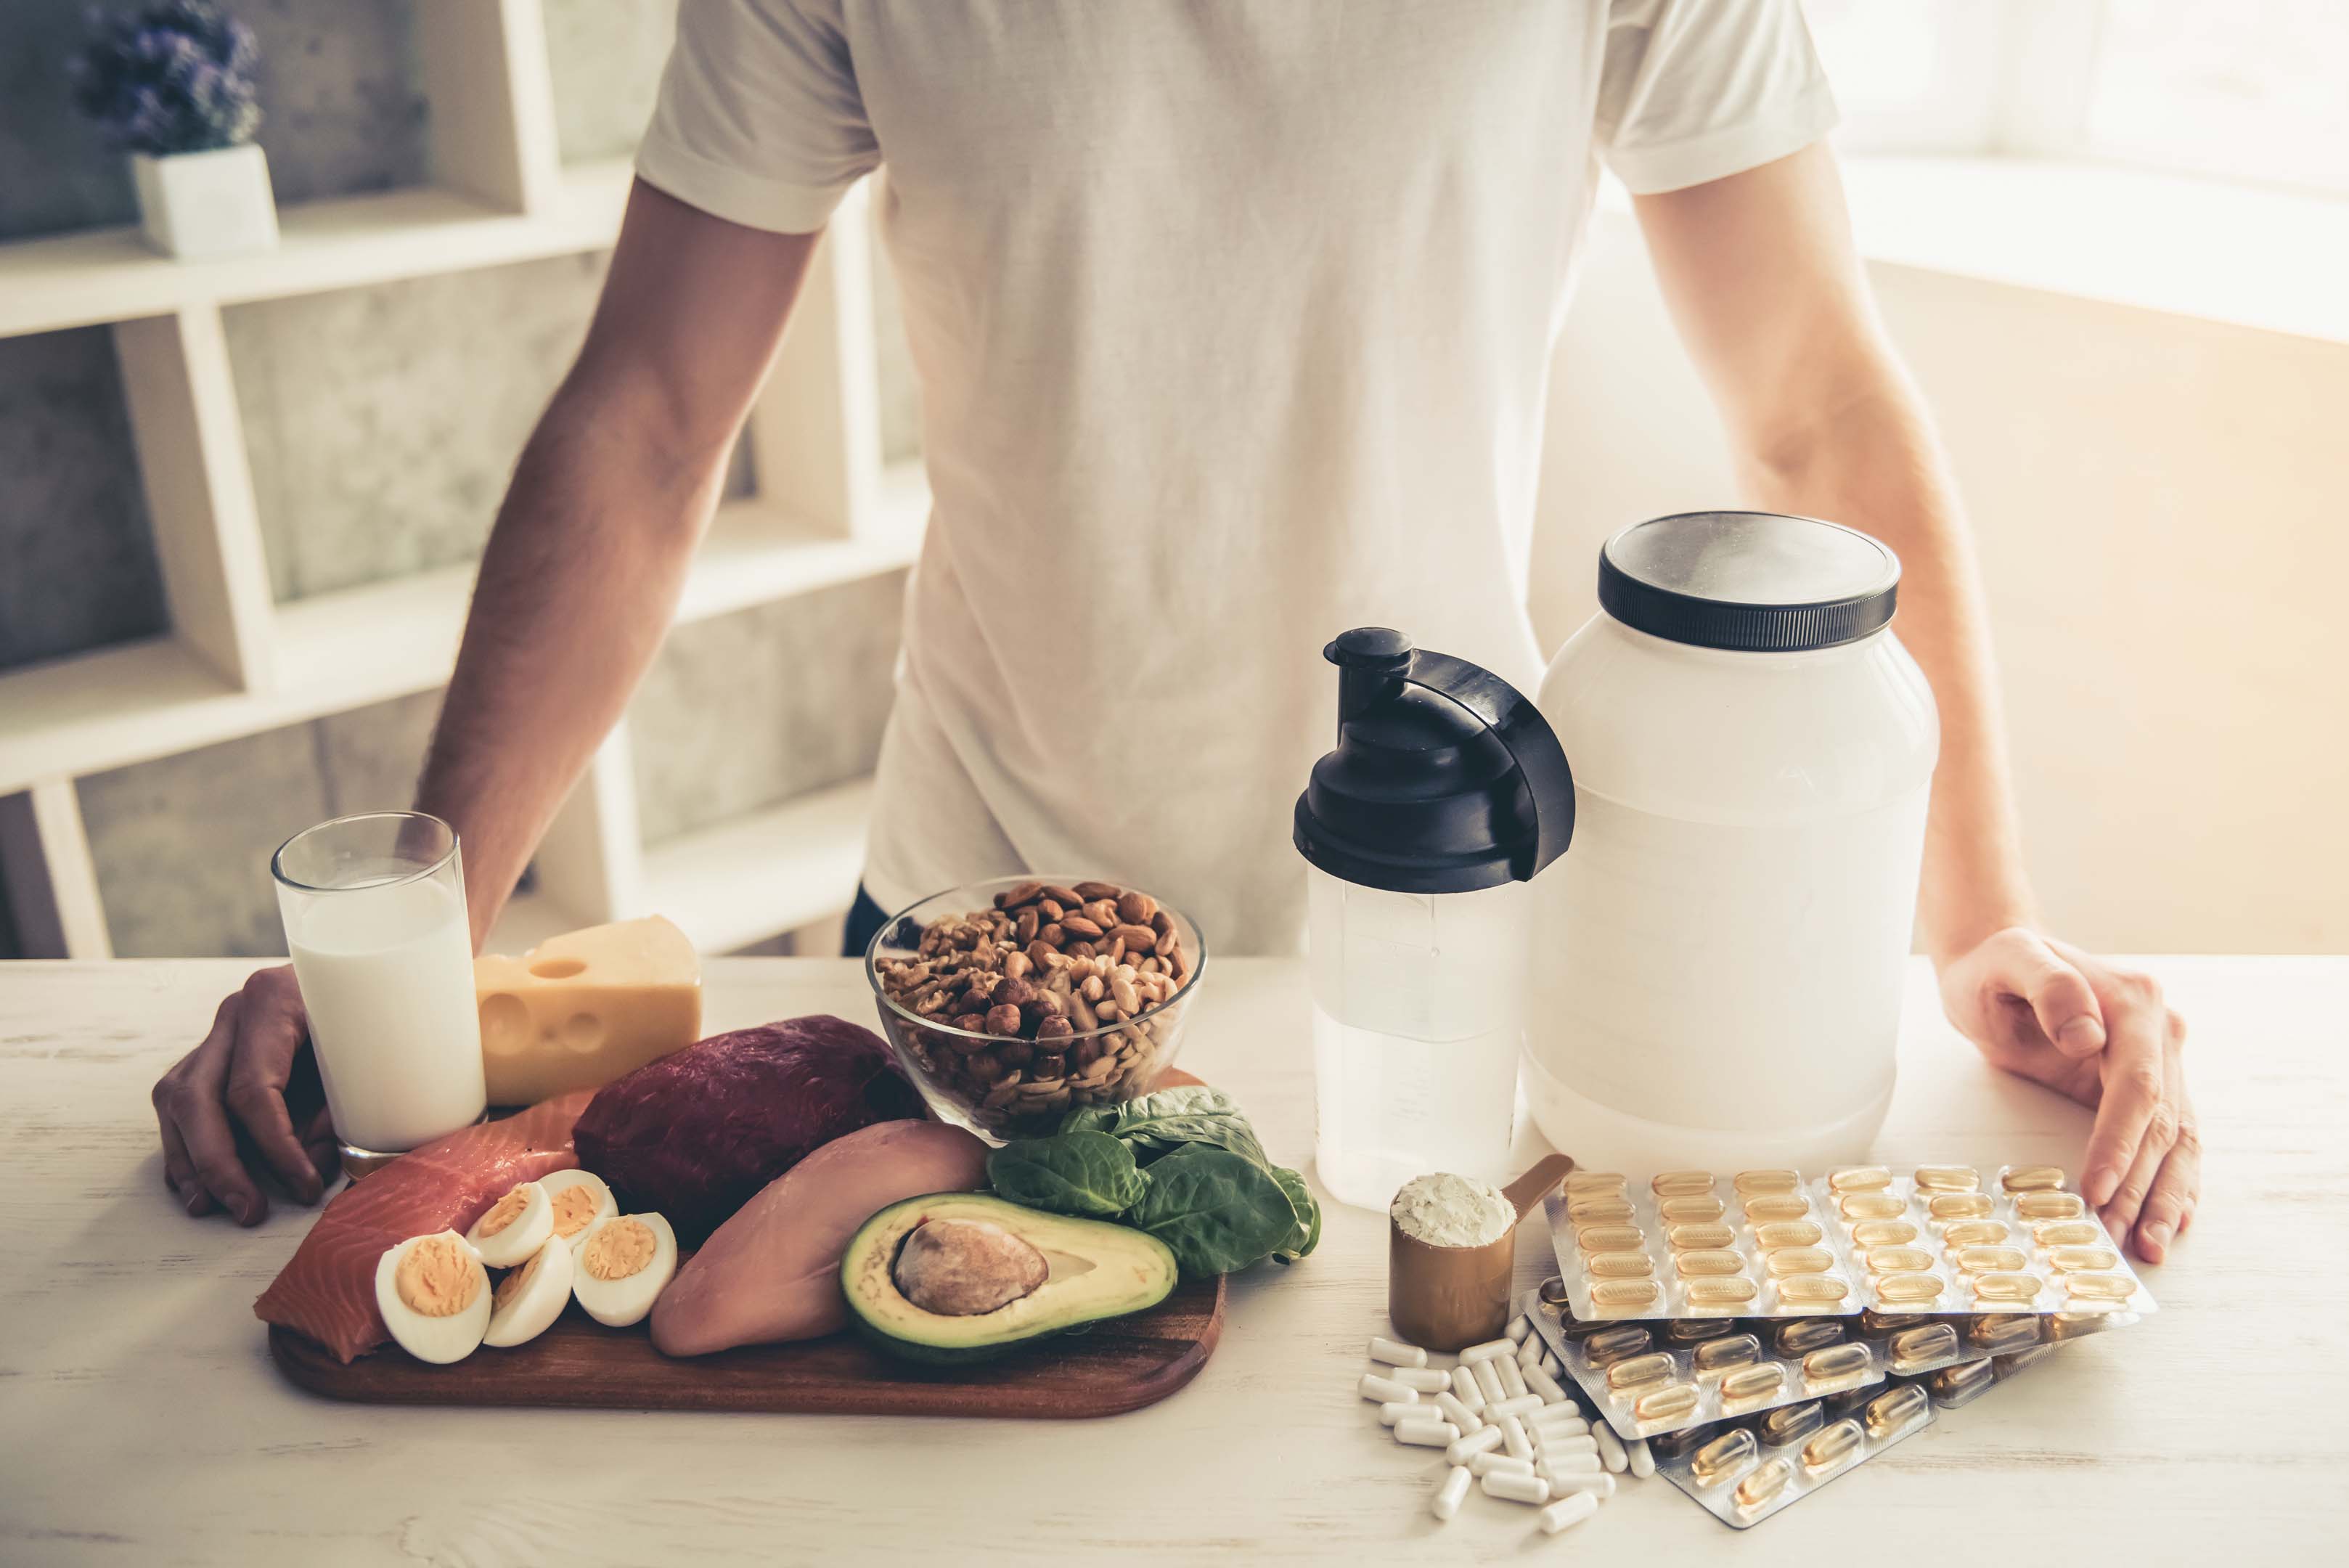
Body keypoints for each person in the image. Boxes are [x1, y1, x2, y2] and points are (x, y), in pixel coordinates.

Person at [150, 0, 2197, 1259]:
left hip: (1456, 941)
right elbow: (649, 423)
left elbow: (1821, 410)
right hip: (971, 947)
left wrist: (1981, 916)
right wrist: (411, 946)